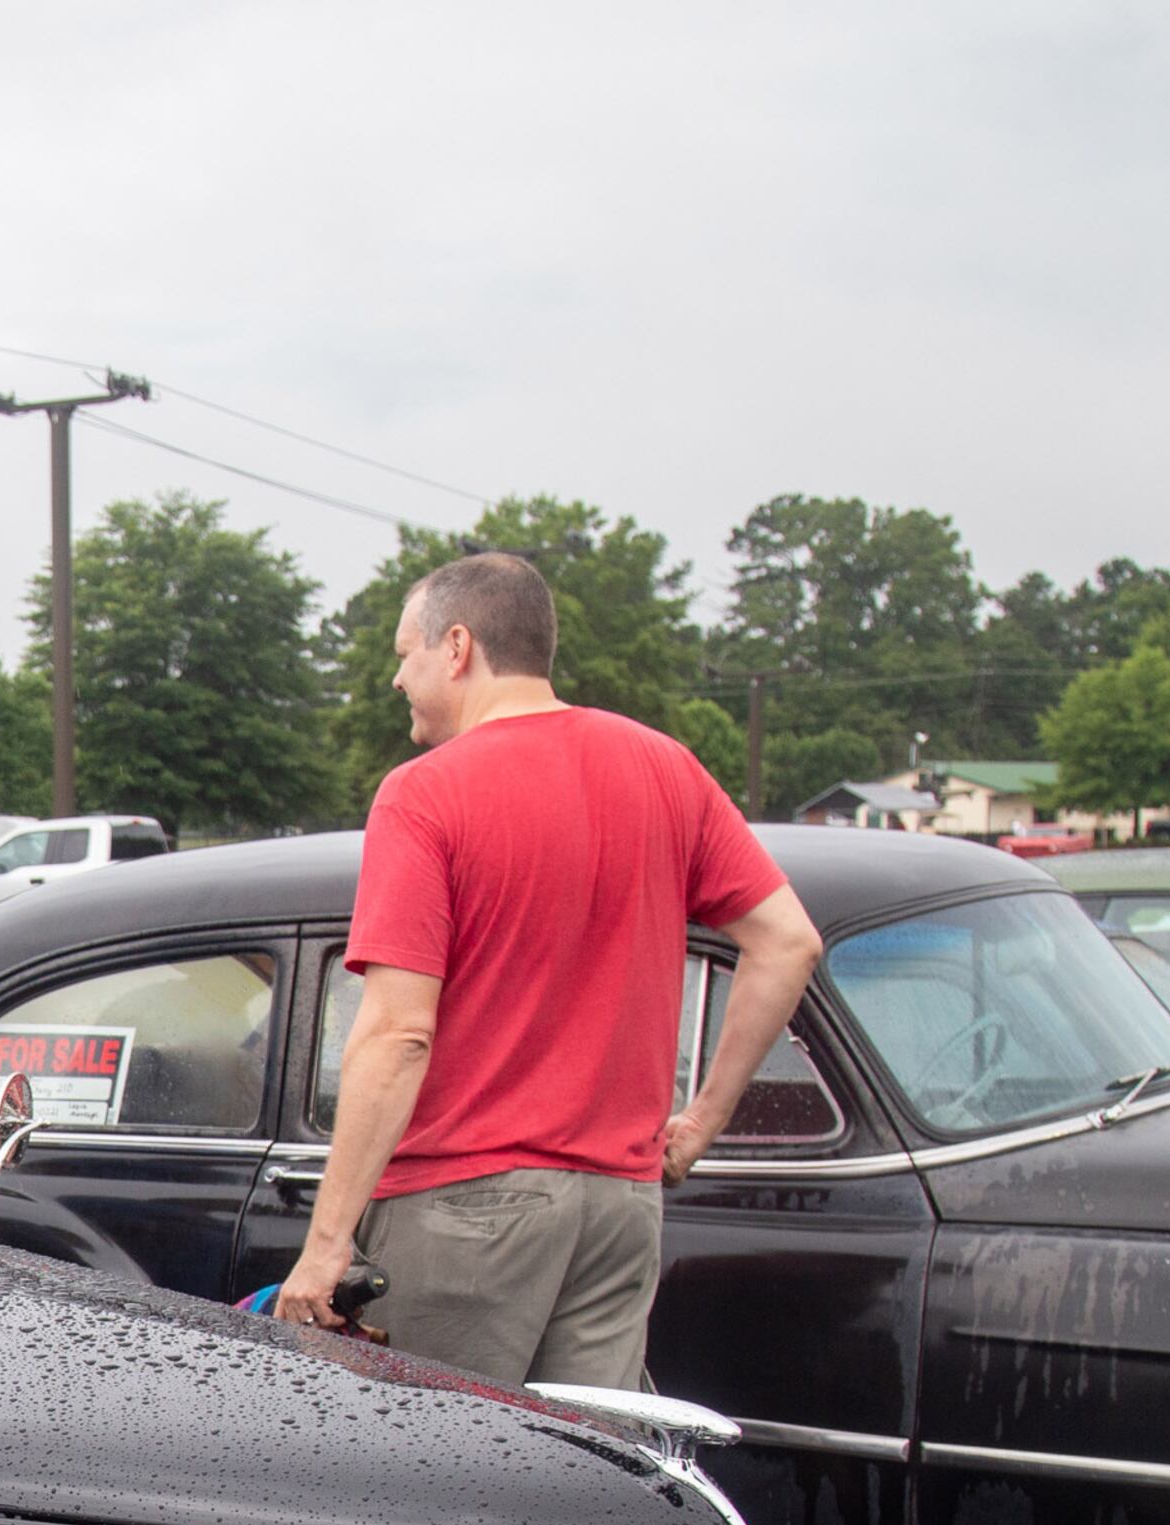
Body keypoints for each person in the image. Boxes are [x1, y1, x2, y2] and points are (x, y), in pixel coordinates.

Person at [275, 552, 824, 1387]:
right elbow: (788, 941)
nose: (398, 679)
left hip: (466, 1209)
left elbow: (397, 1033)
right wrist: (700, 1123)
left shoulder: (422, 793)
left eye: (404, 653)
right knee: (584, 1484)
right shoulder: (666, 766)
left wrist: (323, 1248)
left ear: (457, 647)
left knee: (434, 1490)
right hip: (622, 1207)